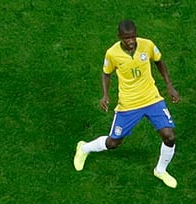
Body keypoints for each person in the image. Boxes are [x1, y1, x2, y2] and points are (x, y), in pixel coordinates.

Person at [73, 19, 181, 188]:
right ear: (119, 37)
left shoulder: (147, 45)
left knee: (169, 136)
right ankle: (84, 148)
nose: (130, 41)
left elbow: (159, 62)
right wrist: (105, 95)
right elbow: (106, 73)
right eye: (126, 38)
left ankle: (160, 170)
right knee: (113, 143)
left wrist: (169, 86)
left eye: (132, 37)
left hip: (152, 99)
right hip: (128, 104)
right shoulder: (112, 53)